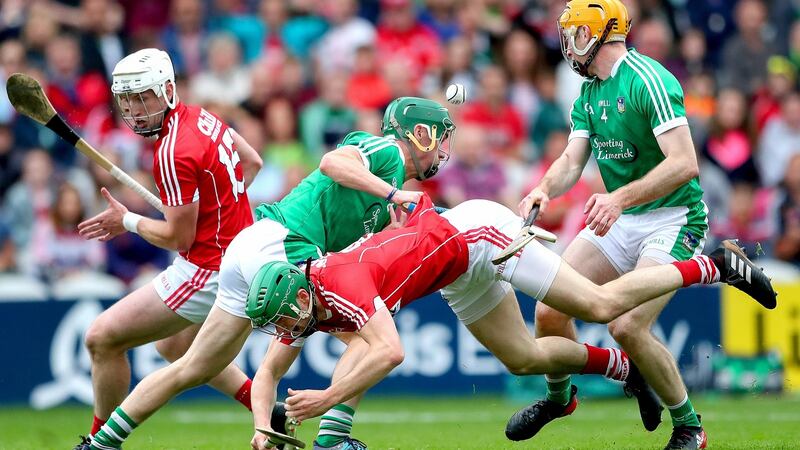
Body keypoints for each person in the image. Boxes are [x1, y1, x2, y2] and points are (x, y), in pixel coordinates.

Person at [243, 195, 775, 450]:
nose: (285, 330)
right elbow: (267, 373)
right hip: (453, 271)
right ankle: (622, 370)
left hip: (479, 235)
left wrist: (328, 408)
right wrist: (262, 431)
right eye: (279, 323)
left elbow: (386, 351)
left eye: (285, 319)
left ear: (299, 295)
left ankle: (715, 264)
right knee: (524, 356)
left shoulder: (341, 285)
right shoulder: (300, 298)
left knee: (596, 306)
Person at [88, 97, 457, 450]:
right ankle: (333, 438)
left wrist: (389, 231)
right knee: (372, 341)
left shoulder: (382, 203)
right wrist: (393, 195)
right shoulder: (386, 151)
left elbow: (347, 250)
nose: (442, 150)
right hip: (285, 248)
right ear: (418, 134)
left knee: (194, 367)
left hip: (252, 249)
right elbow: (332, 163)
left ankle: (102, 442)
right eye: (440, 138)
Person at [517, 1, 713, 448]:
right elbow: (572, 158)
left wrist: (620, 197)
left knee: (626, 326)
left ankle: (689, 426)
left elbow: (685, 164)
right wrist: (545, 188)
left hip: (673, 218)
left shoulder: (649, 79)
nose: (567, 44)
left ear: (599, 34)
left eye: (574, 34)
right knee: (550, 307)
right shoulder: (589, 92)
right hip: (622, 217)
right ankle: (560, 397)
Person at [73, 48, 263, 450]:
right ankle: (269, 410)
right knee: (174, 346)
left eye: (145, 96)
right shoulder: (203, 117)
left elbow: (177, 239)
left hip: (207, 270)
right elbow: (253, 162)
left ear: (169, 89)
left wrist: (126, 220)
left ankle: (99, 441)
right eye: (128, 100)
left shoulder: (172, 151)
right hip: (239, 255)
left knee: (101, 338)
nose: (136, 109)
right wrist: (218, 210)